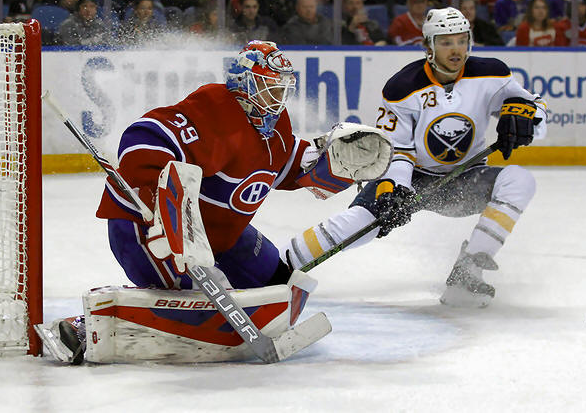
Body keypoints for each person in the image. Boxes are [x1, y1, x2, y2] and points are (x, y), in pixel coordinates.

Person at [49, 40, 388, 363]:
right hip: (148, 228)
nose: (278, 97)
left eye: (283, 88)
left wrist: (320, 160)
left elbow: (279, 166)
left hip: (217, 235)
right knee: (197, 303)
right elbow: (144, 138)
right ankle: (85, 326)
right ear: (244, 85)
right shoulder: (215, 109)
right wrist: (161, 203)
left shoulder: (275, 124)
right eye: (270, 87)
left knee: (277, 286)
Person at [283, 7, 547, 308]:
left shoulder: (493, 74)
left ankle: (468, 271)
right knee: (358, 223)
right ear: (428, 46)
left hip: (464, 182)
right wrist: (396, 189)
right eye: (446, 42)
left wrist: (530, 119)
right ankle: (280, 262)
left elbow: (535, 107)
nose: (456, 50)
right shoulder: (403, 87)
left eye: (462, 41)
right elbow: (398, 150)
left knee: (519, 180)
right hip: (413, 179)